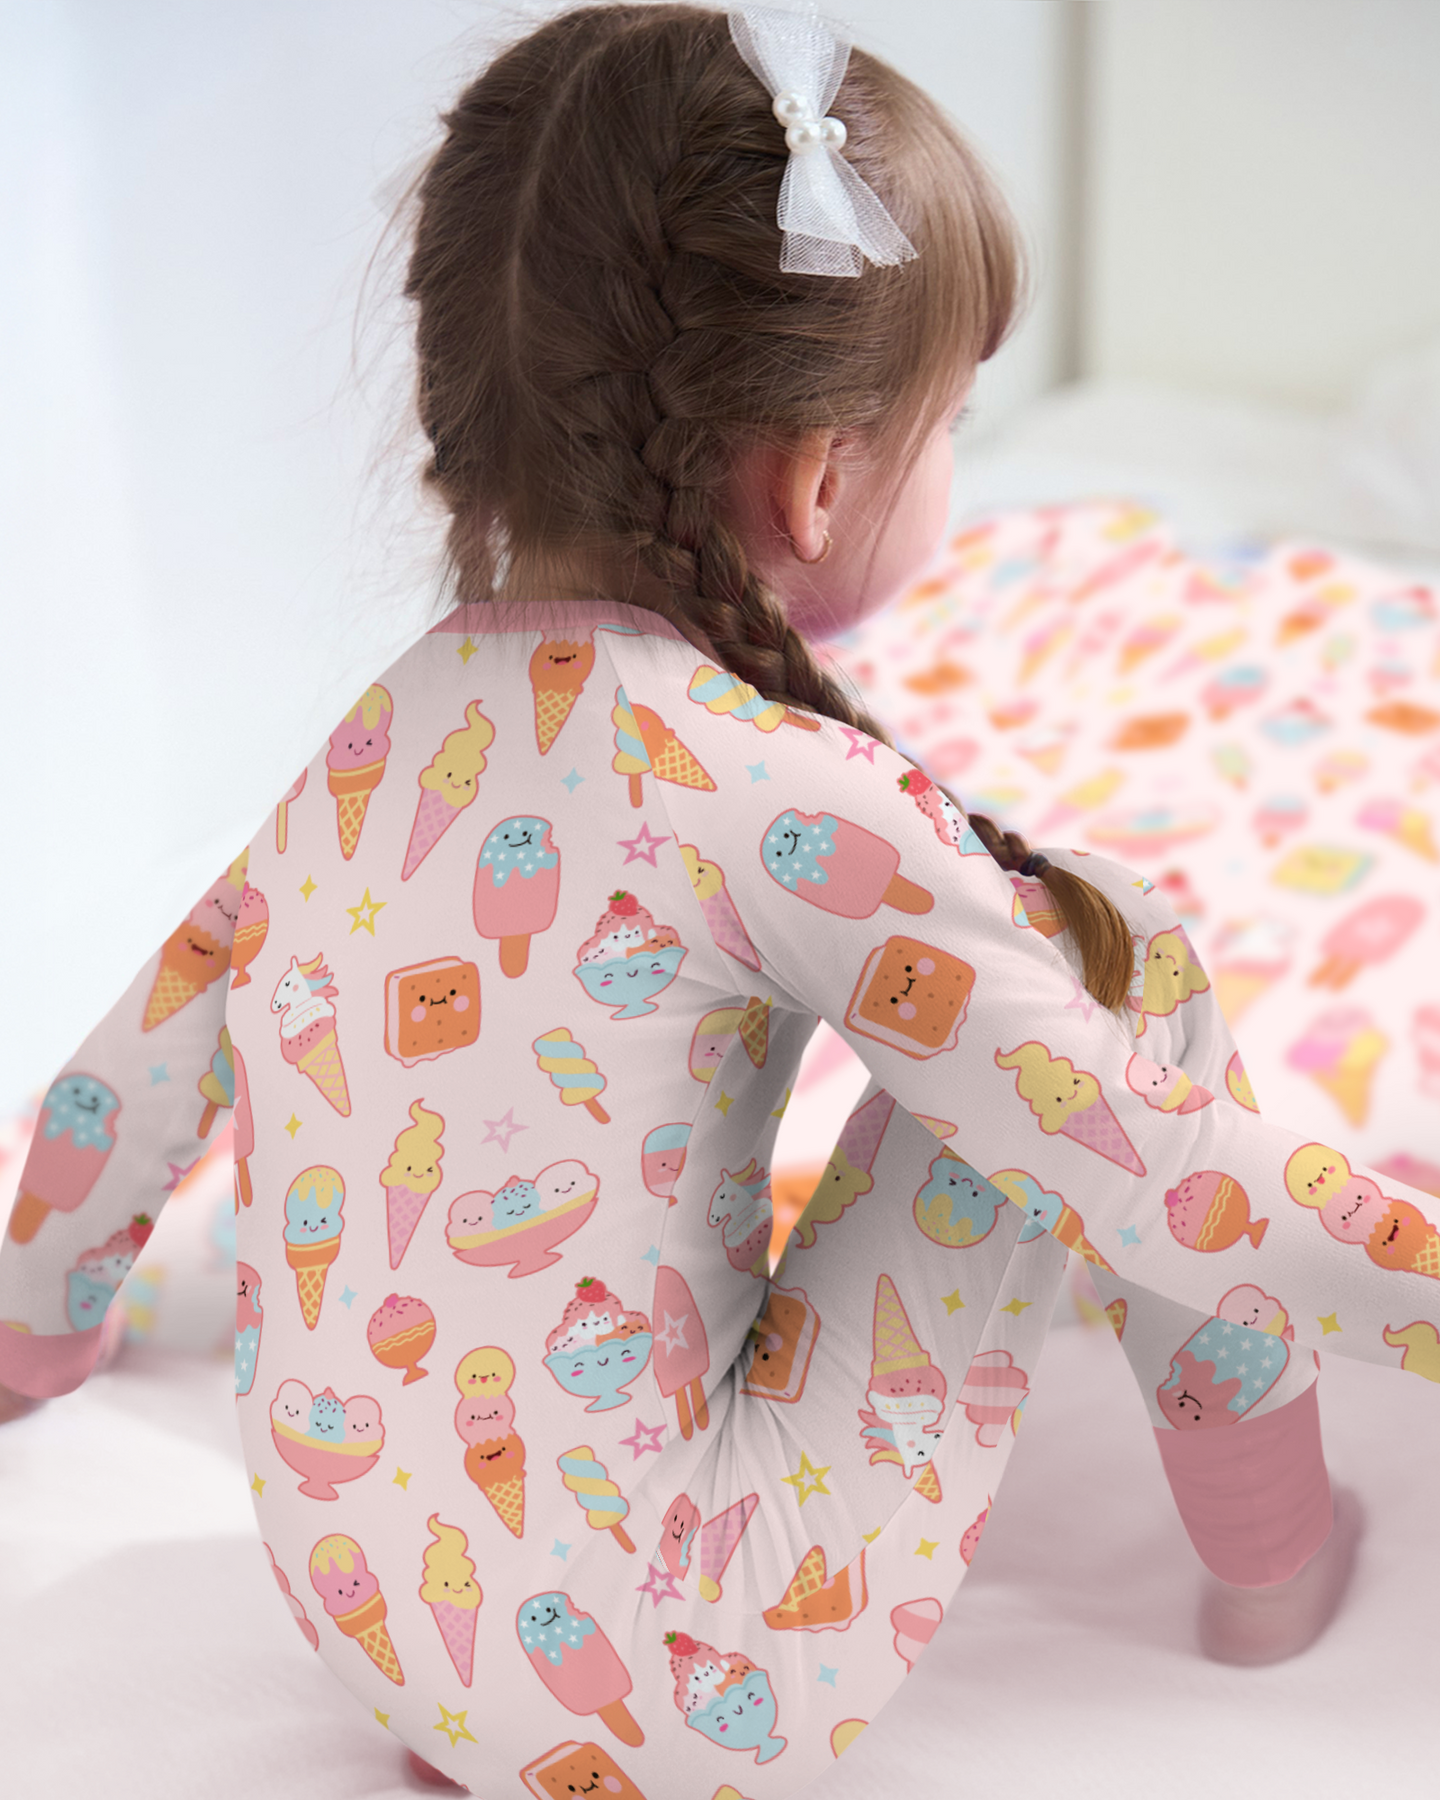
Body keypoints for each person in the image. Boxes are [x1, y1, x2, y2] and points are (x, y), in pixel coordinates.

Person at [0, 3, 1422, 1793]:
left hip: (375, 1628)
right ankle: (1271, 1552)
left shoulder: (365, 748)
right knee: (1114, 952)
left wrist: (31, 1345)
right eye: (951, 423)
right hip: (697, 1682)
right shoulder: (783, 797)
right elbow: (1157, 1169)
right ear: (818, 478)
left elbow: (109, 1099)